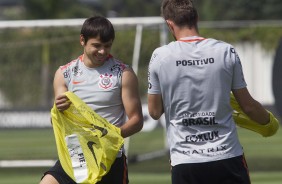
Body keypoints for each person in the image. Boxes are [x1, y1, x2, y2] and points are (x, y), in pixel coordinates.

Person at [147, 0, 276, 183]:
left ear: (169, 23)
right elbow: (248, 106)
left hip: (185, 161)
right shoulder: (225, 51)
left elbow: (153, 112)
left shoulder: (160, 56)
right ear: (197, 18)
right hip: (227, 156)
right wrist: (270, 124)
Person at [40, 15, 143, 184]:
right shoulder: (65, 73)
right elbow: (57, 121)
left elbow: (137, 120)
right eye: (97, 45)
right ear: (82, 40)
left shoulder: (123, 73)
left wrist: (111, 137)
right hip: (76, 157)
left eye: (107, 46)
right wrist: (58, 110)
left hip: (108, 160)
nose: (102, 51)